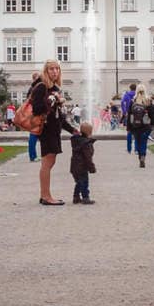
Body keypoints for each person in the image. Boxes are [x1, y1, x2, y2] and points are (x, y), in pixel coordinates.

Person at [30, 59, 76, 205]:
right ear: (46, 71)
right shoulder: (41, 87)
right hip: (46, 130)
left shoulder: (54, 88)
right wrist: (53, 101)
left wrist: (72, 130)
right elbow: (36, 109)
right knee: (47, 162)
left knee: (50, 162)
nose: (55, 71)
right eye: (51, 69)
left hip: (54, 129)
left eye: (57, 69)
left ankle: (45, 195)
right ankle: (46, 196)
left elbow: (60, 117)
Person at [126, 83, 154, 168]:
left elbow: (129, 115)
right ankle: (143, 157)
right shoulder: (148, 101)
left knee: (138, 142)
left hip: (135, 126)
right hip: (146, 126)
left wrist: (128, 127)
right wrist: (153, 125)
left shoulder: (133, 101)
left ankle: (140, 157)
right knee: (144, 142)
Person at [70, 121, 97, 205]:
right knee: (84, 182)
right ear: (90, 132)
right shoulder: (86, 144)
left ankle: (76, 197)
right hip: (82, 167)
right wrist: (92, 167)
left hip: (74, 166)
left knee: (79, 182)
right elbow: (88, 157)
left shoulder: (77, 141)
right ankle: (85, 197)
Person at [121, 81, 138, 153]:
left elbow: (122, 103)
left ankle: (129, 149)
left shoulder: (126, 94)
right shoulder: (137, 95)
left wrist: (125, 112)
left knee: (129, 131)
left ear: (130, 88)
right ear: (136, 88)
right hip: (137, 114)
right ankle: (136, 149)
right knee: (137, 132)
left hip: (129, 114)